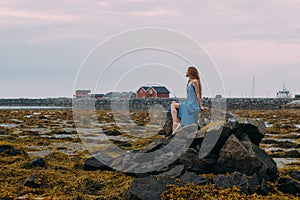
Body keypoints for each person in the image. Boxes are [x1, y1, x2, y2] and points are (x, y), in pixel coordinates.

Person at [170, 66, 209, 134]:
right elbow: (189, 96)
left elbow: (197, 94)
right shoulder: (189, 82)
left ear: (190, 72)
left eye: (187, 71)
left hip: (192, 105)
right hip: (188, 102)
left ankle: (175, 123)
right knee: (173, 103)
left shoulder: (195, 81)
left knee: (173, 105)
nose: (186, 72)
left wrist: (201, 106)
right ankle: (178, 122)